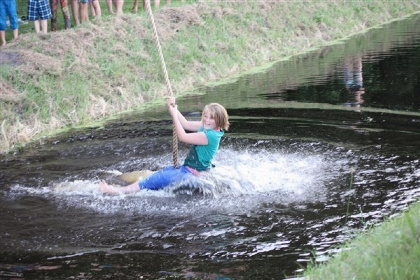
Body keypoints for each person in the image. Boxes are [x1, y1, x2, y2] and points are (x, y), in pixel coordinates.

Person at [99, 97, 230, 194]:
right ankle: (123, 188)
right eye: (205, 116)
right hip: (189, 170)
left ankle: (114, 191)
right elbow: (185, 124)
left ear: (219, 120)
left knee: (148, 181)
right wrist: (175, 108)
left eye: (211, 118)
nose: (206, 120)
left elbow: (183, 136)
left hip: (189, 173)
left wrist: (173, 115)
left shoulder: (209, 136)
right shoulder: (209, 128)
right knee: (158, 175)